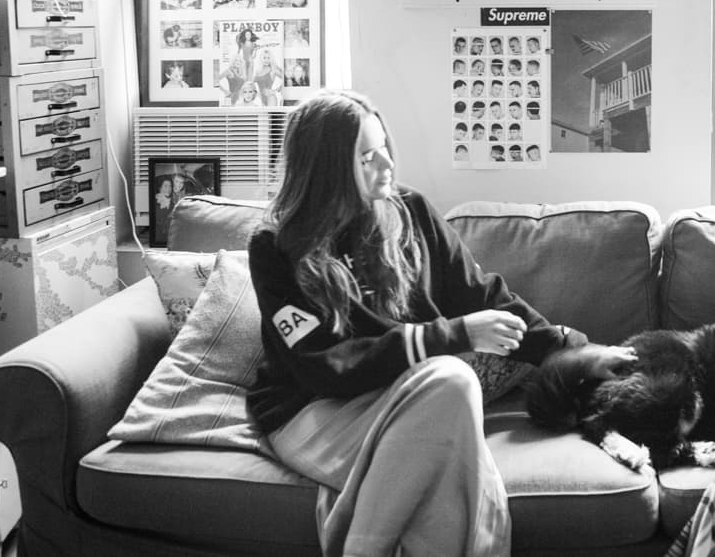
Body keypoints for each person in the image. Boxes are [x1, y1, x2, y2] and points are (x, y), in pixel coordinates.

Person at [246, 91, 633, 555]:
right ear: (325, 169)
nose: (387, 163)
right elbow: (323, 367)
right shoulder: (275, 247)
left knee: (450, 384)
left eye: (384, 146)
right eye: (366, 157)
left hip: (410, 396)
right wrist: (456, 334)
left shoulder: (411, 212)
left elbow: (487, 297)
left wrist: (579, 356)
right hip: (315, 409)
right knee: (451, 383)